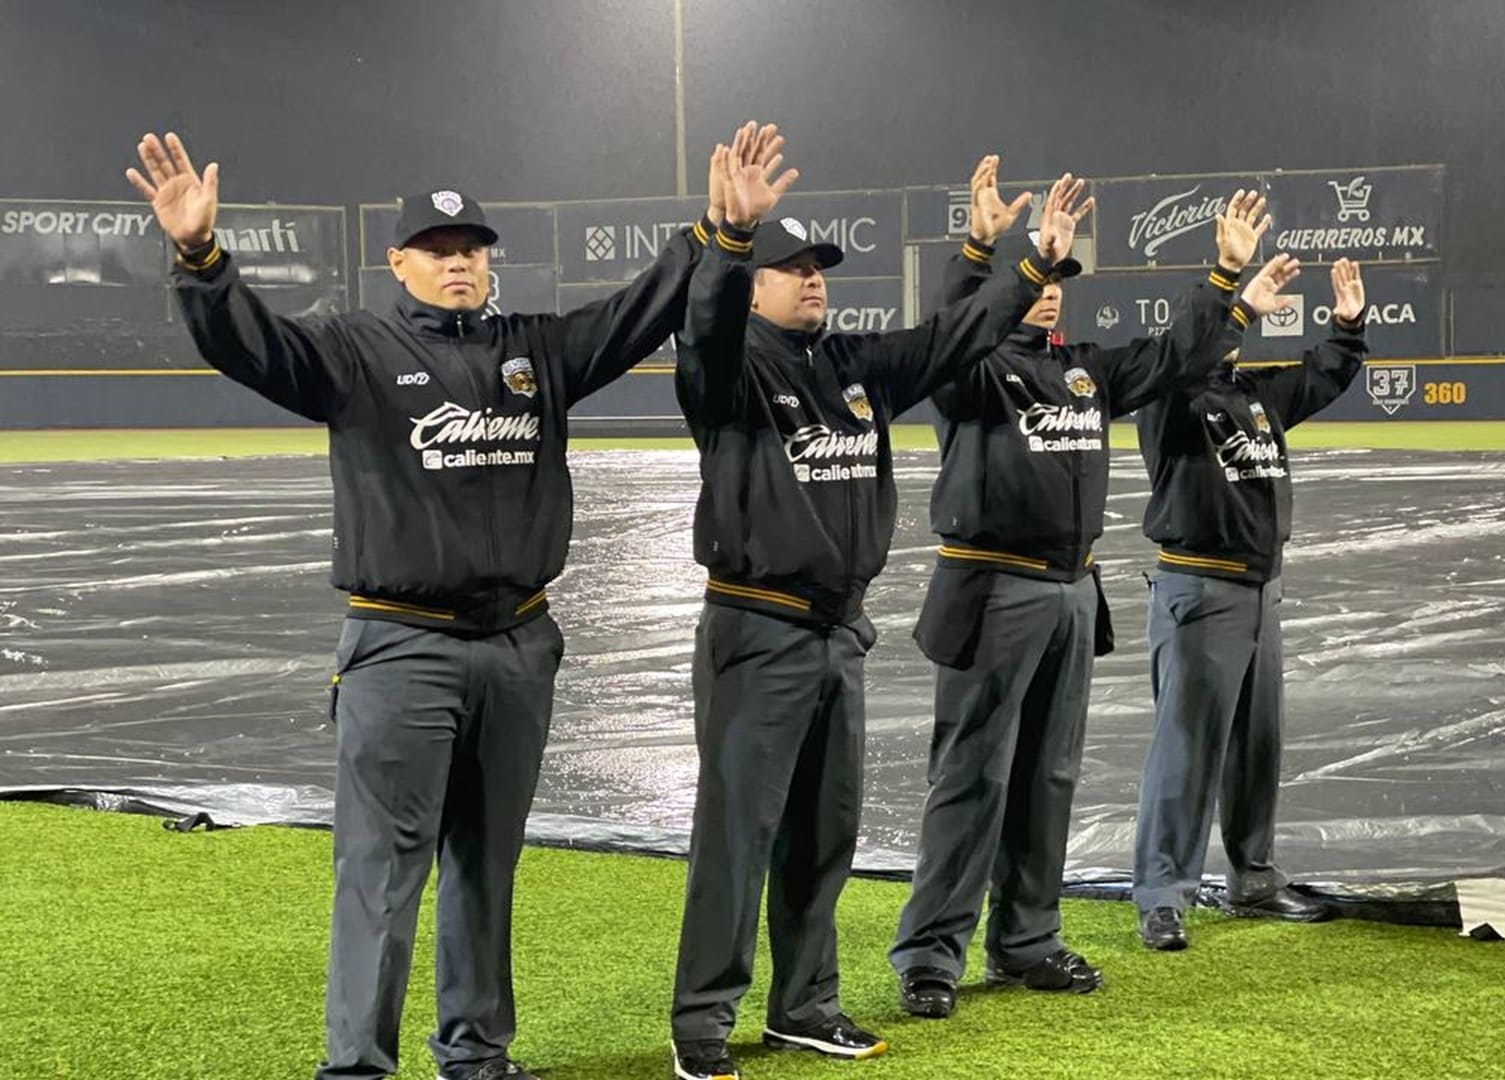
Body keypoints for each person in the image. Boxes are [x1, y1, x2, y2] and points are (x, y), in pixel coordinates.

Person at [126, 126, 732, 1080]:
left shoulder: (539, 350)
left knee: (487, 867)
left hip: (520, 643)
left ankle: (476, 1055)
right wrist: (201, 259)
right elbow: (248, 345)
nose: (460, 263)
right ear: (397, 261)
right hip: (403, 648)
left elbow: (636, 311)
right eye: (440, 252)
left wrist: (714, 234)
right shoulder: (351, 351)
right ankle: (358, 1068)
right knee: (381, 872)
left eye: (474, 250)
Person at [666, 138, 1093, 1080]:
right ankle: (703, 1021)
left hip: (836, 636)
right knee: (738, 838)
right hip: (756, 628)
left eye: (817, 266)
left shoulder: (857, 366)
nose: (811, 280)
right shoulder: (730, 375)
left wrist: (1019, 263)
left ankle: (805, 1006)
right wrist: (729, 245)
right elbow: (701, 328)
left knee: (825, 836)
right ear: (755, 285)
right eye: (790, 268)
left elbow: (957, 338)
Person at [888, 159, 1282, 1019]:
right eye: (1038, 282)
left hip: (1071, 592)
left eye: (1061, 280)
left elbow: (1180, 354)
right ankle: (930, 954)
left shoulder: (1085, 372)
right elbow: (949, 329)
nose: (1051, 293)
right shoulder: (972, 373)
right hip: (992, 589)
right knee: (972, 779)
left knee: (1049, 776)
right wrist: (981, 250)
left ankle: (1026, 939)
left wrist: (1224, 278)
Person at [1129, 257, 1371, 951]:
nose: (1232, 334)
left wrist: (1349, 326)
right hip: (1200, 590)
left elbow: (1323, 373)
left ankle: (1253, 876)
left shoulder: (1254, 393)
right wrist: (1234, 300)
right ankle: (1162, 894)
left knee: (1256, 746)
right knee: (1187, 750)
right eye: (1217, 324)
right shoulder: (1167, 396)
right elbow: (1193, 345)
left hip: (1261, 590)